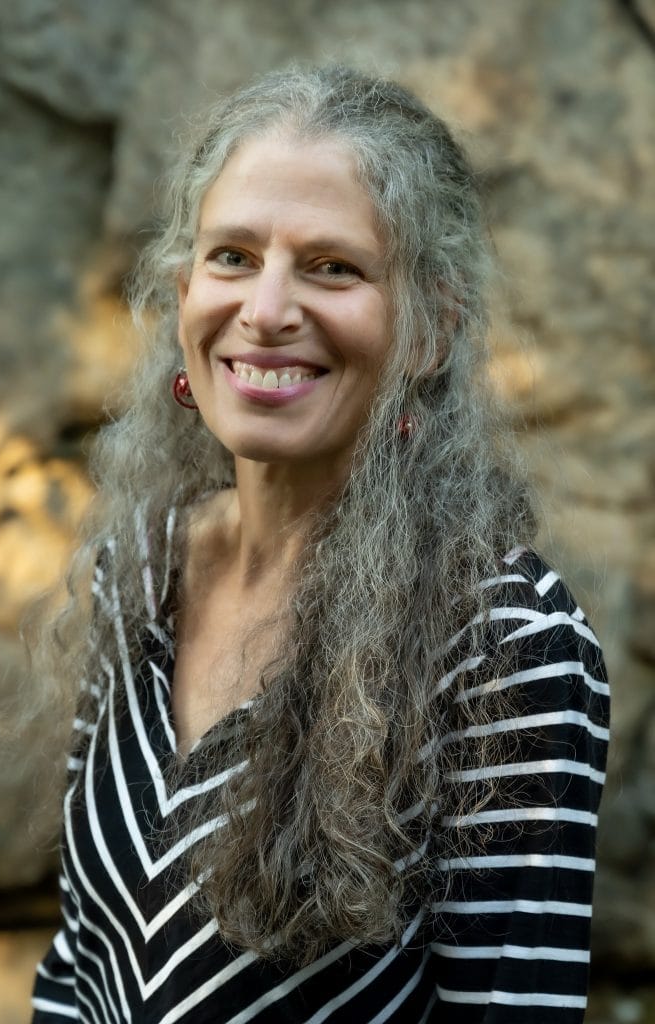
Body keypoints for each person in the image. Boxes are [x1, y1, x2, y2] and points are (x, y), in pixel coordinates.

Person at [30, 65, 609, 1023]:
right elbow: (77, 966)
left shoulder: (507, 647)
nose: (263, 311)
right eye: (231, 257)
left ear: (430, 328)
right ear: (182, 297)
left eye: (331, 267)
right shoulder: (140, 563)